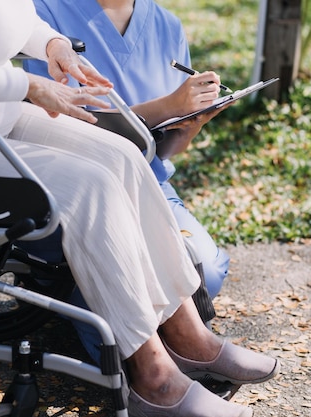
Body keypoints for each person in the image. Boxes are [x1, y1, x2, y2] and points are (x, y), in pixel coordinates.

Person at [0, 1, 279, 416]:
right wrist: (31, 86)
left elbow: (15, 22)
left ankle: (190, 337)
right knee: (89, 185)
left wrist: (53, 44)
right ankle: (153, 378)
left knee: (123, 155)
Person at [24, 0, 230, 299]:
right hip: (81, 192)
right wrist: (169, 105)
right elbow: (56, 128)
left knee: (203, 274)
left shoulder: (167, 25)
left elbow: (167, 151)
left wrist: (191, 123)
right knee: (133, 282)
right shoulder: (46, 12)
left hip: (150, 187)